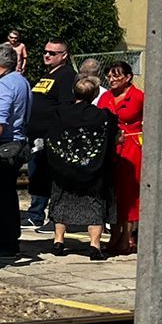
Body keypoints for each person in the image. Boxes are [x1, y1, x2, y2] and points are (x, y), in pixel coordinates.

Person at [46, 76, 117, 259]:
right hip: (92, 170)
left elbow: (50, 136)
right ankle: (94, 245)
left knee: (61, 201)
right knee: (94, 205)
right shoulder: (102, 116)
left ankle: (58, 240)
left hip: (63, 169)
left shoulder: (59, 112)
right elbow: (113, 136)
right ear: (94, 95)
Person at [0, 42, 33, 257]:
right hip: (17, 141)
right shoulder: (20, 81)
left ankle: (7, 243)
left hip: (4, 145)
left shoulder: (2, 86)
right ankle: (9, 240)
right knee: (7, 195)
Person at [25, 37, 75, 231]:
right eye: (45, 52)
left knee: (53, 179)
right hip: (36, 137)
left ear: (64, 56)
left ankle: (56, 218)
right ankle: (35, 214)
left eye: (52, 53)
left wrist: (54, 134)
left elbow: (65, 107)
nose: (47, 55)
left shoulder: (67, 76)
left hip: (51, 137)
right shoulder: (47, 75)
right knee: (37, 176)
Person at [97, 60, 143, 256]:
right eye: (109, 76)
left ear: (128, 77)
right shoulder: (105, 97)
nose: (111, 80)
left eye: (116, 76)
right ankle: (115, 235)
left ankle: (127, 237)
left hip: (132, 148)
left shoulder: (139, 97)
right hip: (111, 149)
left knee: (129, 193)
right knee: (112, 193)